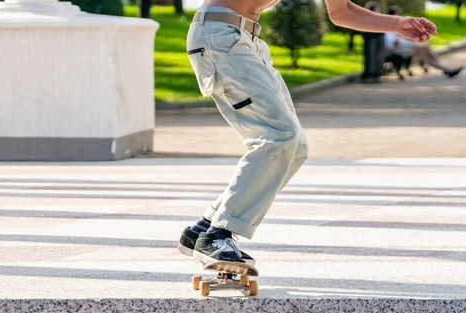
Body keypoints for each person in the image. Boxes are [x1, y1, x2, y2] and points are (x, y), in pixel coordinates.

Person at [179, 0, 437, 267]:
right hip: (220, 35)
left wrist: (396, 24)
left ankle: (204, 228)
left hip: (246, 39)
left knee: (295, 146)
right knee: (278, 136)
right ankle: (217, 235)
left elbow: (341, 11)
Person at [384, 6, 463, 79]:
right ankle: (445, 68)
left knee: (425, 54)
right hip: (400, 48)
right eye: (397, 14)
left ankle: (445, 68)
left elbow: (402, 37)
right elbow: (392, 43)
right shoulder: (387, 29)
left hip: (406, 46)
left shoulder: (396, 26)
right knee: (425, 49)